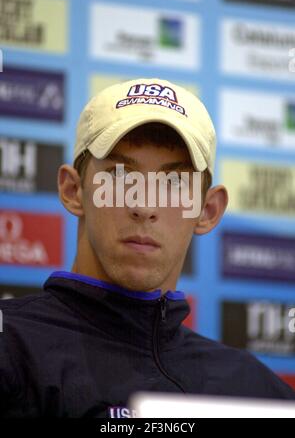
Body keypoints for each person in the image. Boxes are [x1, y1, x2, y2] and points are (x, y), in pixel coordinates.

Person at [0, 78, 294, 418]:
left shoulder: (254, 393)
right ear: (73, 190)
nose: (144, 205)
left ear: (207, 210)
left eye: (173, 183)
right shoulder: (10, 351)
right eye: (121, 176)